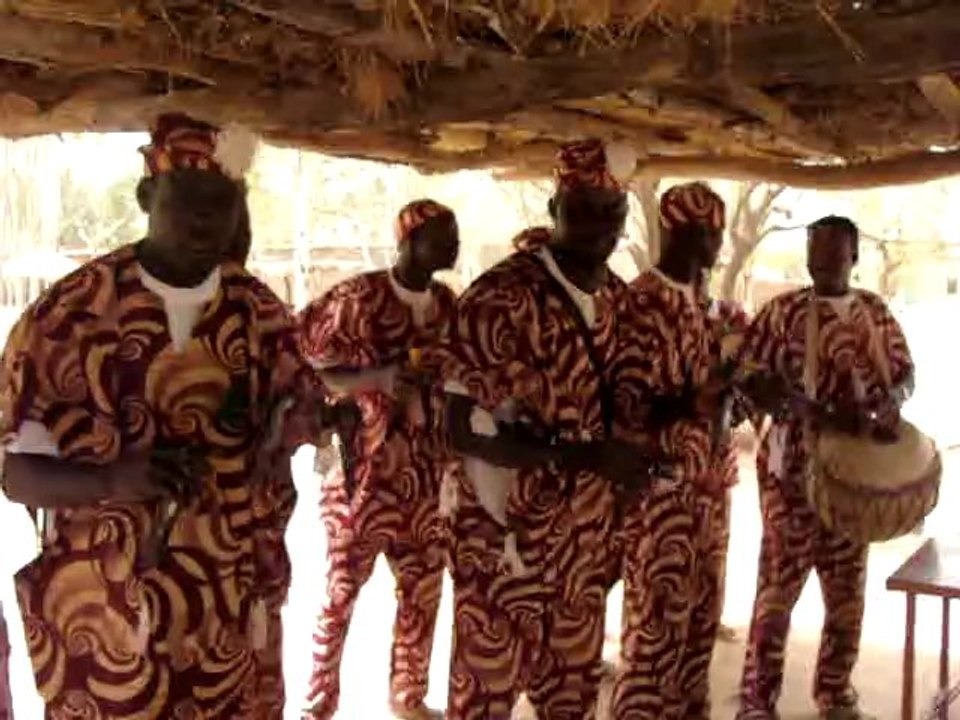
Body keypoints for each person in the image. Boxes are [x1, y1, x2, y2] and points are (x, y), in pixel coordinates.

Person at [0, 113, 334, 719]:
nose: (205, 216)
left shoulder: (260, 314)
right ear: (147, 194)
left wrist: (308, 427)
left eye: (221, 199)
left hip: (228, 614)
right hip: (105, 619)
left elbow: (288, 421)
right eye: (187, 196)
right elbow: (16, 474)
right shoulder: (70, 316)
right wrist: (110, 481)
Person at [426, 138, 653, 720]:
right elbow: (460, 430)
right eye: (582, 208)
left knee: (571, 696)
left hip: (585, 549)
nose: (599, 225)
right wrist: (578, 458)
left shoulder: (623, 304)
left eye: (612, 211)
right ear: (554, 208)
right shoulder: (501, 297)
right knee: (485, 695)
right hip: (503, 547)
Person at [736, 216, 914, 720]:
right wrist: (792, 404)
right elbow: (747, 376)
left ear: (853, 256)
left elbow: (905, 373)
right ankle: (756, 700)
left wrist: (890, 404)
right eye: (814, 251)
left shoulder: (874, 313)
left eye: (833, 252)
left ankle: (835, 693)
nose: (821, 261)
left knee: (846, 598)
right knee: (776, 595)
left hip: (854, 482)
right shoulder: (782, 313)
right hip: (791, 480)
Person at [300, 200, 459, 720]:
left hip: (425, 479)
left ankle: (408, 698)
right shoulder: (358, 298)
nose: (454, 245)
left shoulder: (447, 305)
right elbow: (308, 366)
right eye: (443, 236)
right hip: (360, 476)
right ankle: (318, 706)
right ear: (409, 242)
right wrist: (377, 381)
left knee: (422, 592)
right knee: (341, 593)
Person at [612, 182, 731, 719]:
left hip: (710, 487)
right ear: (680, 234)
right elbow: (623, 403)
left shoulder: (709, 303)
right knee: (654, 624)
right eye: (711, 235)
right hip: (659, 493)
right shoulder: (639, 301)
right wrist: (690, 402)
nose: (718, 245)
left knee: (701, 619)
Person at [696, 269, 753, 645]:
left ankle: (709, 619)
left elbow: (748, 374)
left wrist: (733, 406)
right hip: (673, 452)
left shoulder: (731, 317)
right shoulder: (662, 315)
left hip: (718, 450)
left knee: (715, 542)